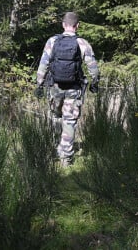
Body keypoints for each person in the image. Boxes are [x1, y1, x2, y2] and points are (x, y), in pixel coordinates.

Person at [35, 12, 100, 167]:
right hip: (74, 88)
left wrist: (39, 84)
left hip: (55, 87)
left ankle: (56, 149)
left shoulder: (52, 41)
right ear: (77, 26)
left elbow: (43, 64)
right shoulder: (82, 43)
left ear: (63, 24)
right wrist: (94, 83)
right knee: (69, 121)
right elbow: (93, 68)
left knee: (56, 117)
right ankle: (65, 158)